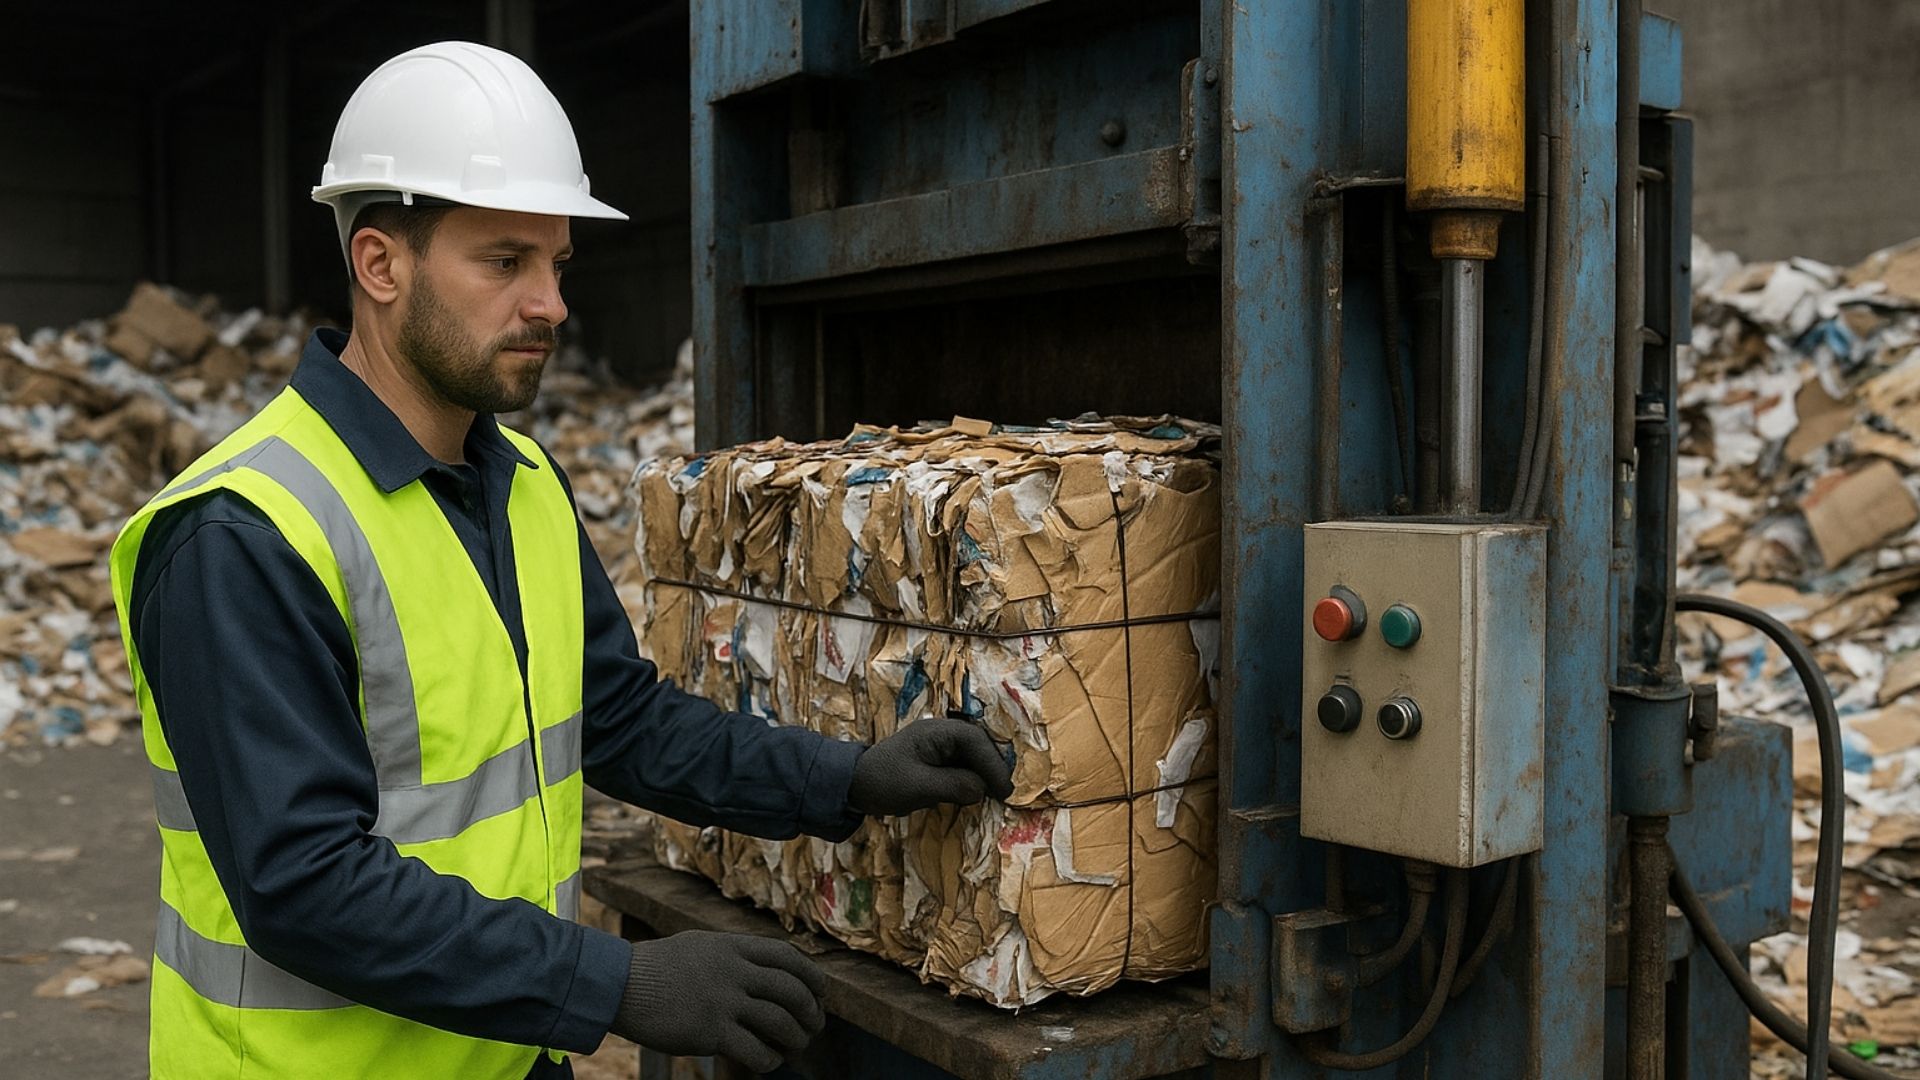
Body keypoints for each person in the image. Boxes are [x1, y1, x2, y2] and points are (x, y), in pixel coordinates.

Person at [107, 40, 1013, 1080]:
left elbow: (616, 718)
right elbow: (306, 886)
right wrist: (616, 988)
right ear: (380, 264)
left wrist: (846, 778)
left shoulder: (521, 481)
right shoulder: (244, 534)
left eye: (557, 263)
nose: (551, 304)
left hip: (502, 1054)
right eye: (506, 262)